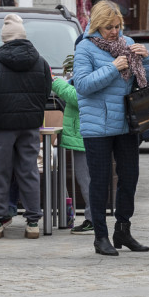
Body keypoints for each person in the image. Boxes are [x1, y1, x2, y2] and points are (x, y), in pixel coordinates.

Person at [73, 0, 149, 256]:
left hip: (126, 124)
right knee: (100, 182)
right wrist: (112, 68)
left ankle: (123, 229)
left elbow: (140, 79)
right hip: (97, 127)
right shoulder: (85, 48)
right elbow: (82, 85)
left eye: (118, 26)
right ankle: (100, 237)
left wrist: (147, 58)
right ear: (97, 25)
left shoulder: (127, 44)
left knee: (129, 178)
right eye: (109, 27)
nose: (115, 32)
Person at [0, 13, 51, 241]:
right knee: (28, 171)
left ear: (4, 38)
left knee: (0, 171)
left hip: (2, 126)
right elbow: (47, 91)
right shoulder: (40, 61)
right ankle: (32, 222)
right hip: (30, 125)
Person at [50, 53, 95, 235]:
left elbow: (78, 98)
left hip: (84, 134)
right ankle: (92, 218)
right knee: (87, 179)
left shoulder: (92, 70)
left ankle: (93, 220)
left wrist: (55, 82)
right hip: (83, 133)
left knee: (87, 180)